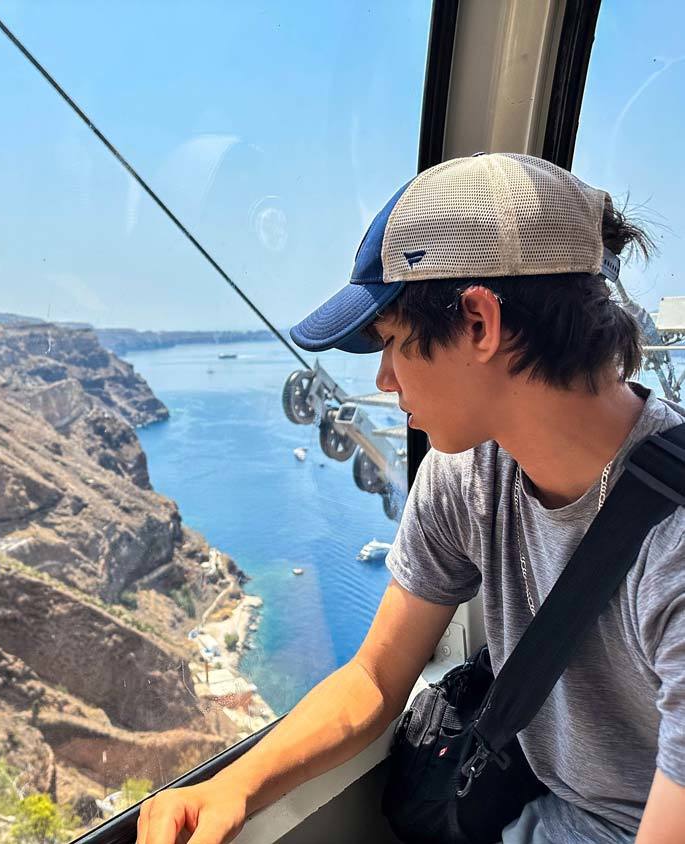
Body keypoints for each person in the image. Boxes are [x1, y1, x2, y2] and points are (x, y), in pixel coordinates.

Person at [135, 153, 685, 844]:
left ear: (479, 322)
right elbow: (375, 675)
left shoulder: (675, 552)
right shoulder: (469, 474)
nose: (386, 380)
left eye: (391, 342)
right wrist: (232, 785)